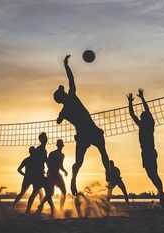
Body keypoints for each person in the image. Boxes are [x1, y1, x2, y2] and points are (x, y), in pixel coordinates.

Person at [53, 55, 110, 195]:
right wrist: (66, 65)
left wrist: (61, 116)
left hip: (83, 135)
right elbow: (71, 79)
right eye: (62, 91)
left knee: (80, 162)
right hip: (90, 131)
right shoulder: (71, 96)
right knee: (102, 152)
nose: (64, 90)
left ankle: (74, 179)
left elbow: (58, 121)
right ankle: (108, 172)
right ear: (62, 96)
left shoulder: (64, 110)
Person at [127, 89, 164, 208]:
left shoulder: (145, 125)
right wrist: (141, 98)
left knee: (153, 174)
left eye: (142, 116)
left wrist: (130, 102)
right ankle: (161, 192)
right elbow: (141, 113)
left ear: (144, 118)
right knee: (152, 174)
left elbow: (133, 114)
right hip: (149, 152)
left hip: (148, 151)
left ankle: (161, 193)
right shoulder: (148, 124)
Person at [25, 132, 55, 214]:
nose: (46, 139)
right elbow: (35, 162)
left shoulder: (44, 150)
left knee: (45, 192)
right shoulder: (39, 150)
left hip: (41, 175)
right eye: (44, 138)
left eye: (46, 138)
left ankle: (48, 208)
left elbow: (45, 161)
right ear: (41, 140)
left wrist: (50, 167)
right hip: (38, 175)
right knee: (40, 192)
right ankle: (49, 209)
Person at [37, 139, 68, 213]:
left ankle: (61, 208)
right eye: (59, 145)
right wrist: (52, 171)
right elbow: (47, 163)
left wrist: (64, 171)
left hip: (57, 174)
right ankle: (41, 205)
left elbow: (61, 166)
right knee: (50, 193)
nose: (60, 146)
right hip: (51, 174)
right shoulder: (52, 153)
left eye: (61, 145)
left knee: (64, 191)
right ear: (57, 145)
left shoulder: (62, 155)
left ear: (62, 146)